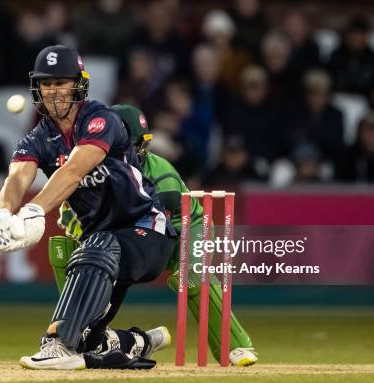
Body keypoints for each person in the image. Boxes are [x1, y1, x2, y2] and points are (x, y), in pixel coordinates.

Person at [0, 45, 176, 370]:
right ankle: (138, 341)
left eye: (61, 83)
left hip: (147, 230)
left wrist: (32, 212)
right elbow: (17, 177)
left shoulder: (102, 120)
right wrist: (4, 213)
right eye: (46, 84)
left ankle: (57, 346)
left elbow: (73, 170)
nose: (53, 92)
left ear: (79, 85)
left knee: (96, 244)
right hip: (105, 246)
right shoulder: (37, 138)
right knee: (90, 340)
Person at [51, 105, 259, 366]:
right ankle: (74, 336)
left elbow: (153, 230)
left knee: (191, 275)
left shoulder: (162, 178)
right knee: (69, 249)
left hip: (185, 227)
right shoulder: (91, 168)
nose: (138, 152)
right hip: (130, 231)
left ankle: (236, 347)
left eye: (141, 144)